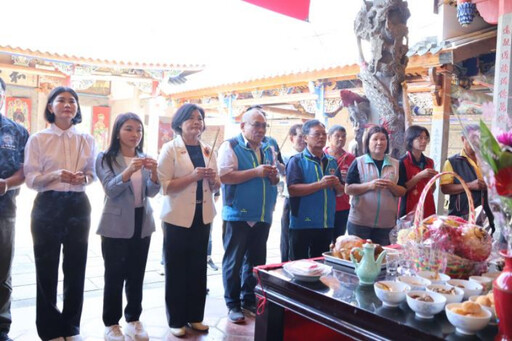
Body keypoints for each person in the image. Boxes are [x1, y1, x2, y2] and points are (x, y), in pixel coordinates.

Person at [24, 87, 96, 341]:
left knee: (76, 268)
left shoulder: (87, 139)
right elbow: (31, 179)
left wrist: (84, 177)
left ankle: (71, 327)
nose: (68, 104)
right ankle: (50, 329)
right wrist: (55, 175)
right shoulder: (38, 139)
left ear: (77, 108)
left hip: (78, 204)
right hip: (47, 205)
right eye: (61, 100)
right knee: (46, 268)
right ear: (51, 107)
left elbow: (93, 174)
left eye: (72, 101)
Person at [157, 103, 220, 338]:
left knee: (197, 267)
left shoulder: (207, 150)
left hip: (202, 216)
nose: (197, 122)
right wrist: (192, 176)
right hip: (176, 218)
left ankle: (196, 316)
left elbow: (217, 187)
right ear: (179, 123)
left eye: (200, 118)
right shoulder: (170, 149)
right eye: (191, 118)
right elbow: (165, 186)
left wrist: (214, 181)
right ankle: (176, 319)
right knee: (176, 269)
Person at [95, 113, 160, 341]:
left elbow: (151, 192)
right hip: (115, 223)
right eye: (129, 129)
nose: (135, 135)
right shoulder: (105, 158)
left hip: (142, 221)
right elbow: (110, 190)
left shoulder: (145, 157)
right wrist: (128, 171)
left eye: (139, 130)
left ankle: (134, 319)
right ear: (118, 132)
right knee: (114, 275)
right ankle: (111, 324)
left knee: (136, 274)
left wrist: (153, 172)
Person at [217, 108, 279, 323]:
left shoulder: (268, 148)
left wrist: (273, 177)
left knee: (255, 262)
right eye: (256, 125)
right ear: (243, 126)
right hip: (238, 215)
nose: (260, 129)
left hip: (262, 214)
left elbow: (274, 178)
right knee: (233, 262)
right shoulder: (231, 145)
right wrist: (256, 172)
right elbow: (224, 176)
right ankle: (232, 304)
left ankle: (248, 299)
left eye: (263, 125)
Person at [287, 120, 343, 260]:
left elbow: (341, 191)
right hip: (302, 223)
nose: (322, 137)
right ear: (305, 138)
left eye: (324, 134)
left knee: (321, 265)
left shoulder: (332, 161)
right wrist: (320, 184)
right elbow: (292, 190)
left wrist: (336, 185)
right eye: (317, 134)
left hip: (325, 222)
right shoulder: (296, 160)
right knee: (299, 265)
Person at [0, 77, 29, 341]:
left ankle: (1, 327)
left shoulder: (17, 131)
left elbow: (26, 169)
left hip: (4, 209)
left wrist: (6, 184)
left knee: (2, 269)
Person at [345, 125, 406, 246]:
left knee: (381, 259)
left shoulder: (397, 164)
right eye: (375, 139)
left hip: (386, 224)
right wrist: (369, 186)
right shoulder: (358, 162)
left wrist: (392, 186)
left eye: (383, 139)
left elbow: (403, 191)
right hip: (360, 223)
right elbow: (348, 189)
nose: (379, 142)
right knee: (358, 258)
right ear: (368, 142)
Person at [440, 124, 494, 229]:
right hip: (462, 214)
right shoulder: (452, 162)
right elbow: (445, 188)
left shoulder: (488, 160)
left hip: (487, 213)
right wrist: (469, 185)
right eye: (473, 138)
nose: (476, 142)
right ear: (463, 139)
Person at [324, 125, 355, 240]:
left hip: (342, 206)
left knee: (338, 240)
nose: (341, 139)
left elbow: (355, 183)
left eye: (343, 136)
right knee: (322, 241)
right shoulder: (322, 155)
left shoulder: (351, 158)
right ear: (329, 138)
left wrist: (348, 179)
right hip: (324, 206)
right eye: (337, 136)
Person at [398, 125, 437, 218]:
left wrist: (433, 178)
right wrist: (420, 175)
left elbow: (432, 189)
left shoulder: (429, 162)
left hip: (427, 205)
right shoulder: (402, 162)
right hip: (409, 208)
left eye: (426, 138)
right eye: (420, 138)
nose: (424, 141)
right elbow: (401, 189)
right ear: (410, 140)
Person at [280, 123, 305, 262]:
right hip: (290, 199)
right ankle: (285, 262)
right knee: (287, 234)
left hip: (308, 200)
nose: (303, 140)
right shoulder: (285, 156)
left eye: (304, 136)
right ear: (291, 138)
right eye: (300, 136)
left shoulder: (311, 156)